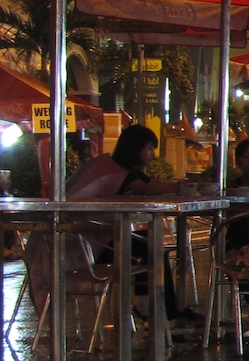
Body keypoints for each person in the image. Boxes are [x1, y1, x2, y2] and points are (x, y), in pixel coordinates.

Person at [64, 126, 195, 322]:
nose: (153, 154)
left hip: (84, 241)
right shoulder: (119, 174)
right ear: (136, 148)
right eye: (149, 148)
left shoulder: (110, 167)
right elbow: (146, 188)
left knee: (147, 244)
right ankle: (161, 312)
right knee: (150, 248)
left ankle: (152, 307)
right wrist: (182, 186)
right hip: (86, 247)